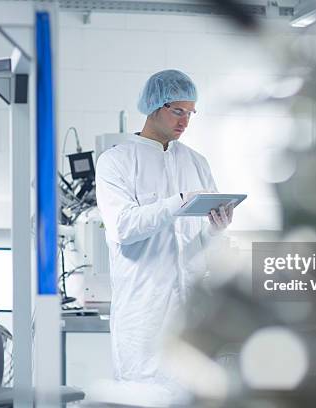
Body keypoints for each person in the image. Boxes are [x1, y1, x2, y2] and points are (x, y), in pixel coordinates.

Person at [95, 69, 233, 395]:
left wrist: (216, 229)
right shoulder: (117, 162)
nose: (185, 121)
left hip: (191, 314)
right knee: (143, 394)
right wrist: (178, 203)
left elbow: (201, 244)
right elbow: (124, 227)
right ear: (155, 106)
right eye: (178, 111)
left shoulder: (197, 163)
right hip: (144, 314)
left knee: (192, 395)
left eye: (190, 113)